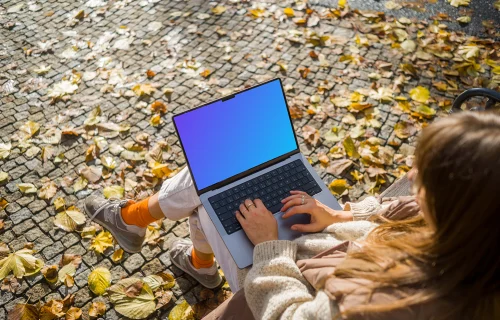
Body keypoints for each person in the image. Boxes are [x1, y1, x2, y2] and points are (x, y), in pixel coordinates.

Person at [84, 111, 499, 319]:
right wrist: (334, 217)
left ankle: (134, 220)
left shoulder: (388, 304)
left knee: (208, 185)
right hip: (323, 240)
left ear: (458, 208)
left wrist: (268, 245)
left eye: (424, 175)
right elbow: (397, 211)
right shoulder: (478, 241)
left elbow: (288, 313)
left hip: (280, 273)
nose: (409, 174)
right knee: (216, 185)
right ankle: (193, 260)